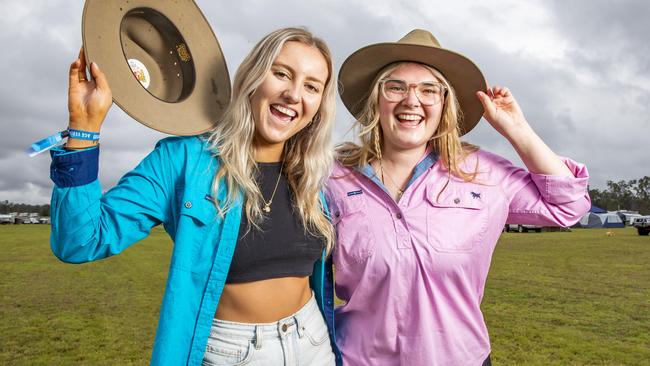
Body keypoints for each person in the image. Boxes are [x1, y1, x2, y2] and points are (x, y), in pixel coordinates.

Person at [50, 27, 339, 365]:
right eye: (281, 74)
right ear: (253, 77)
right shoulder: (184, 159)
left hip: (313, 341)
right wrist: (84, 128)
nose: (293, 94)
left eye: (311, 86)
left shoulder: (315, 176)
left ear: (319, 104)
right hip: (232, 352)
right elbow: (80, 241)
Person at [325, 29, 591, 365]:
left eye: (428, 90)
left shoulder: (483, 173)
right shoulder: (332, 177)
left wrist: (516, 127)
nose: (411, 100)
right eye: (396, 87)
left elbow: (567, 206)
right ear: (376, 99)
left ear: (444, 104)